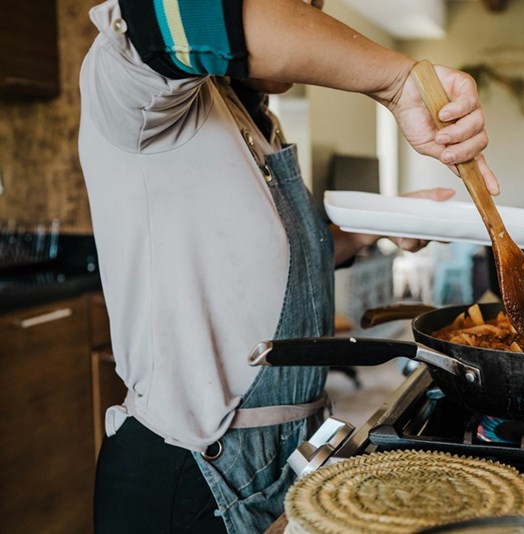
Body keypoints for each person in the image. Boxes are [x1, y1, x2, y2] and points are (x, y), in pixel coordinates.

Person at [78, 0, 499, 532]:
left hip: (285, 457)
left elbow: (269, 262)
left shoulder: (254, 120)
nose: (307, 12)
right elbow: (188, 19)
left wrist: (376, 227)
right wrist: (397, 82)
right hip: (187, 467)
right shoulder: (132, 84)